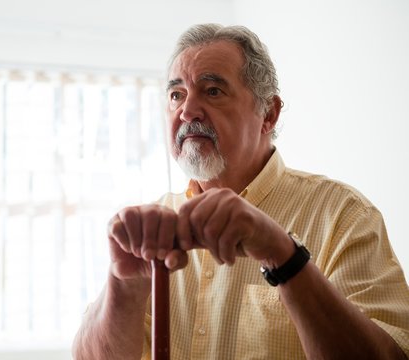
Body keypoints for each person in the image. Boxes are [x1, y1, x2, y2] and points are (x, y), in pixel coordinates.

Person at [72, 24, 409, 359]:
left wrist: (284, 256)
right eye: (177, 94)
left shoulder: (342, 215)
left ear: (269, 114)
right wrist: (123, 283)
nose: (187, 111)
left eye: (213, 91)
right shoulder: (151, 232)